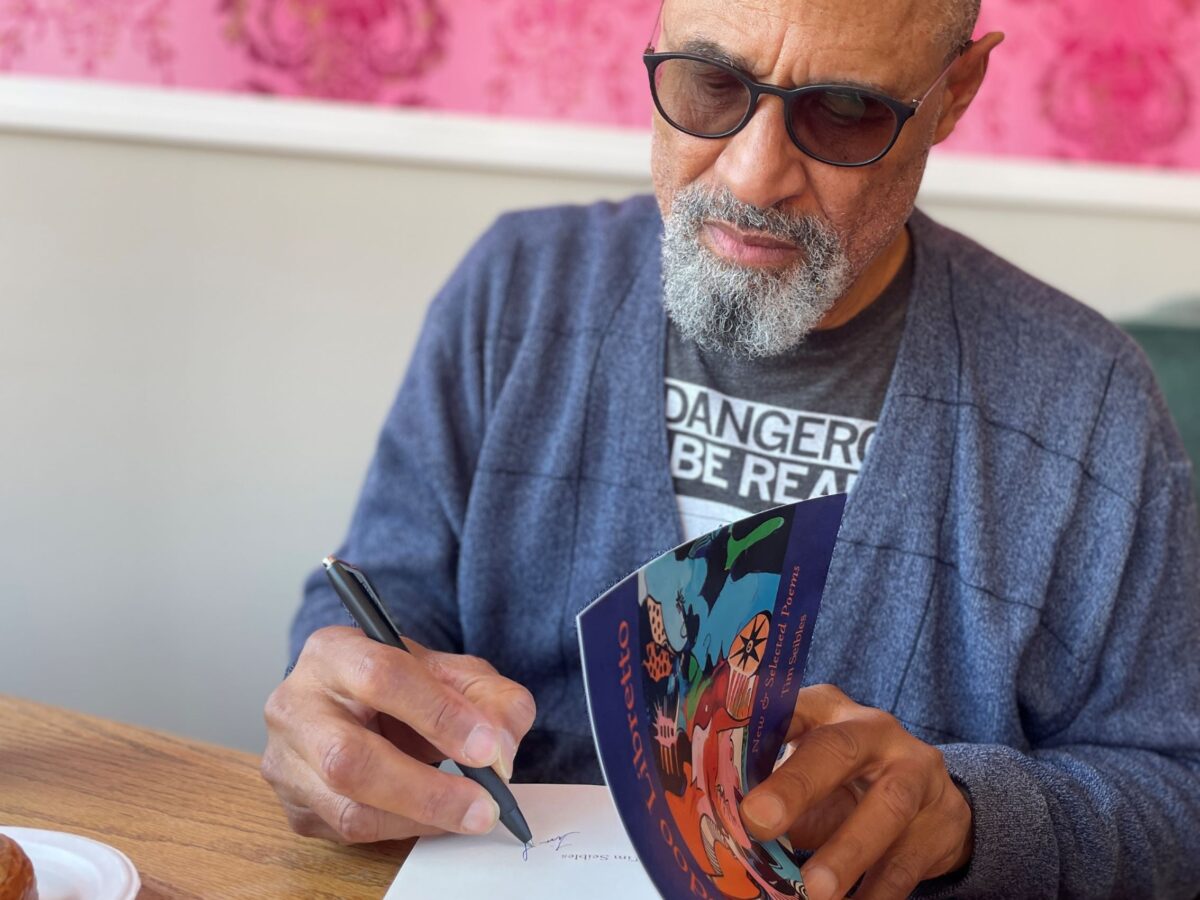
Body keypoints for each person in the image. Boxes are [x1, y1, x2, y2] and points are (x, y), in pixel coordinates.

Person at [260, 0, 1200, 896]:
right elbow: (382, 604)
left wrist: (965, 820)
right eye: (710, 84)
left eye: (843, 111)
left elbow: (1179, 795)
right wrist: (354, 707)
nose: (753, 176)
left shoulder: (1089, 399)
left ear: (954, 94)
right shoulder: (513, 294)